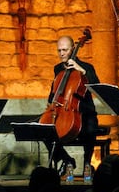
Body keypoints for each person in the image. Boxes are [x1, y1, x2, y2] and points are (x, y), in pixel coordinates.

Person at [43, 35, 100, 176]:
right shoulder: (57, 69)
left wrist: (81, 70)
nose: (61, 53)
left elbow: (96, 85)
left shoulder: (87, 67)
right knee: (45, 131)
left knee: (91, 129)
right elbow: (54, 91)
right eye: (59, 50)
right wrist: (52, 102)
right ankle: (68, 160)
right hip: (64, 110)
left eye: (65, 50)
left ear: (73, 49)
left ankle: (87, 163)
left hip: (85, 112)